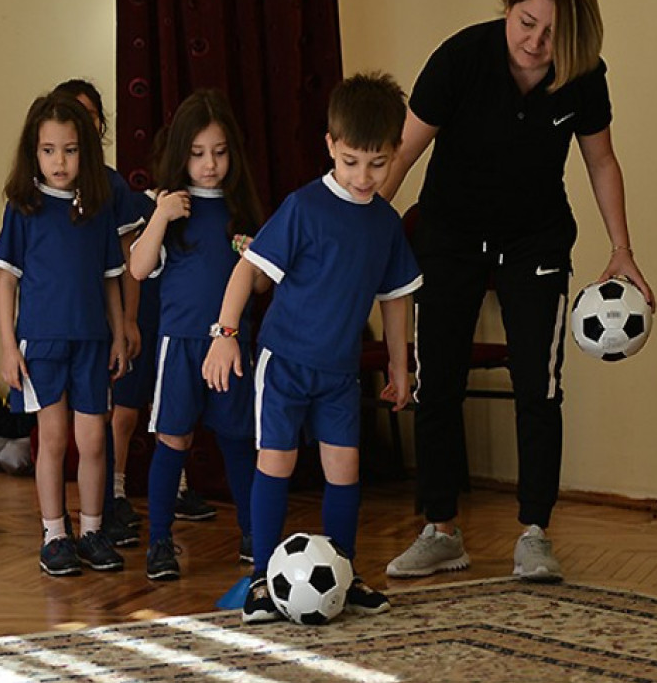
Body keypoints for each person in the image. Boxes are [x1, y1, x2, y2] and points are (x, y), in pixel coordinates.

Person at [381, 0, 655, 584]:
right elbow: (402, 151)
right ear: (508, 6)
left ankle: (535, 533)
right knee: (438, 380)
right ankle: (440, 530)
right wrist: (361, 227)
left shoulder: (583, 76)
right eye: (526, 22)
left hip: (535, 240)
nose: (535, 42)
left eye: (551, 32)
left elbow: (602, 161)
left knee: (540, 384)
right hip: (449, 234)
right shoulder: (460, 58)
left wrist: (622, 248)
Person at [204, 72, 421, 623]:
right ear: (330, 145)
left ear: (396, 152)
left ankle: (343, 573)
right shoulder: (303, 207)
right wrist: (226, 336)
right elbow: (246, 270)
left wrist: (400, 362)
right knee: (276, 461)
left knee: (344, 468)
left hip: (338, 372)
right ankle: (260, 581)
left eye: (377, 163)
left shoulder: (386, 225)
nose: (363, 176)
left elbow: (396, 298)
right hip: (285, 363)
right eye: (350, 161)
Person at [0, 91, 129, 576]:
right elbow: (6, 280)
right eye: (49, 150)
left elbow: (111, 279)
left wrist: (119, 334)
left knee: (92, 441)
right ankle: (55, 534)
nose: (59, 161)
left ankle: (92, 530)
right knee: (51, 440)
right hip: (42, 344)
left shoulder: (97, 207)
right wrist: (8, 347)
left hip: (92, 342)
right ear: (34, 151)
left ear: (85, 151)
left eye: (69, 150)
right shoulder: (23, 207)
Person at [129, 89, 264, 580]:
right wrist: (161, 216)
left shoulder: (240, 209)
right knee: (173, 442)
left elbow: (267, 282)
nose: (210, 164)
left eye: (220, 152)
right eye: (198, 153)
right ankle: (160, 542)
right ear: (181, 152)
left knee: (237, 442)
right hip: (179, 345)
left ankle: (255, 535)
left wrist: (254, 256)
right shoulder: (171, 210)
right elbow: (139, 269)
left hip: (231, 344)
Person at [53, 78, 152, 548]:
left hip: (102, 325)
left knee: (103, 421)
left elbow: (127, 263)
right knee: (58, 433)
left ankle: (107, 508)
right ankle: (59, 528)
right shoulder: (38, 192)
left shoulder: (111, 185)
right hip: (55, 331)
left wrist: (127, 321)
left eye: (90, 117)